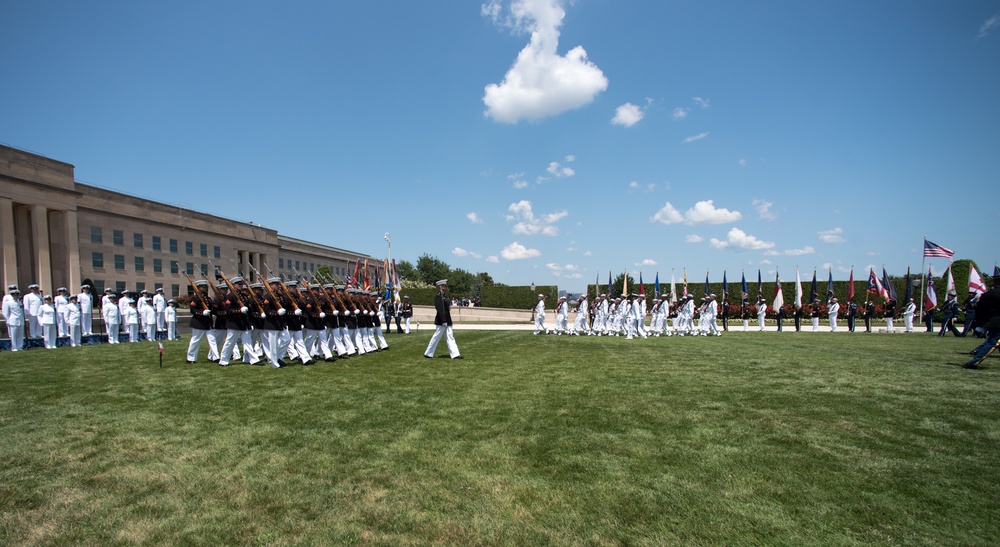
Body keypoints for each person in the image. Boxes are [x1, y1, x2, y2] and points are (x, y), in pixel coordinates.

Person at [964, 272, 1000, 369]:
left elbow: (980, 310)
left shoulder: (987, 295)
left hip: (990, 321)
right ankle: (974, 362)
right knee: (993, 342)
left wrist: (980, 323)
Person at [424, 279, 462, 359]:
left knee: (450, 336)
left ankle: (455, 354)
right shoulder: (438, 297)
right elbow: (440, 310)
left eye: (445, 285)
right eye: (444, 285)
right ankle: (428, 353)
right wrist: (443, 321)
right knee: (436, 337)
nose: (445, 287)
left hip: (447, 320)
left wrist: (447, 321)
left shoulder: (444, 296)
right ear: (440, 287)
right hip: (441, 321)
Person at [186, 280, 215, 363]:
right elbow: (193, 310)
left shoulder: (208, 298)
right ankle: (190, 358)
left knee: (212, 340)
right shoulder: (194, 298)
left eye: (206, 287)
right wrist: (202, 313)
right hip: (198, 322)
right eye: (203, 287)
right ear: (198, 288)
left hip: (207, 323)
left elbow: (211, 309)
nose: (205, 288)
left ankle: (215, 357)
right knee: (195, 341)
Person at [3, 285, 25, 351]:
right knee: (13, 335)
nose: (16, 296)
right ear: (12, 295)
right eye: (14, 295)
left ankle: (20, 346)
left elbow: (21, 312)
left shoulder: (20, 302)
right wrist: (7, 321)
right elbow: (6, 314)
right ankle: (14, 347)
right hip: (13, 320)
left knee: (20, 335)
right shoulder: (8, 303)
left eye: (17, 295)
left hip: (20, 320)